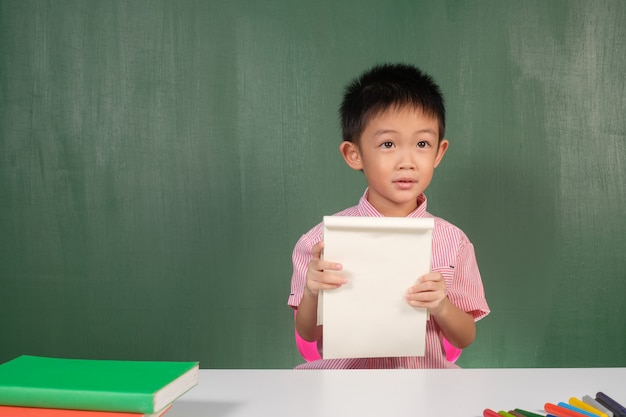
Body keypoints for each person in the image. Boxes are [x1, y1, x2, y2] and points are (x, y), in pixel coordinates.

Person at [288, 63, 489, 369]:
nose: (406, 161)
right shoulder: (320, 241)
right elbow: (310, 334)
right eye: (388, 144)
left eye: (422, 144)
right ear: (354, 154)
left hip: (425, 388)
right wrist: (313, 291)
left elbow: (464, 337)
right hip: (344, 387)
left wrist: (441, 306)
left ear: (439, 152)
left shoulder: (453, 242)